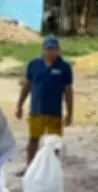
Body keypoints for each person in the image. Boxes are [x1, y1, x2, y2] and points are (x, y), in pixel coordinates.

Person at [15, 36, 74, 174]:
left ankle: (51, 170)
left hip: (54, 112)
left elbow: (68, 91)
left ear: (58, 51)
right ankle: (29, 167)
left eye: (53, 49)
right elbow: (26, 86)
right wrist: (19, 105)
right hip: (36, 110)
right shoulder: (34, 64)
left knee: (54, 143)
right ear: (44, 50)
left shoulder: (64, 68)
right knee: (33, 140)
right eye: (48, 49)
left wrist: (69, 112)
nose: (50, 52)